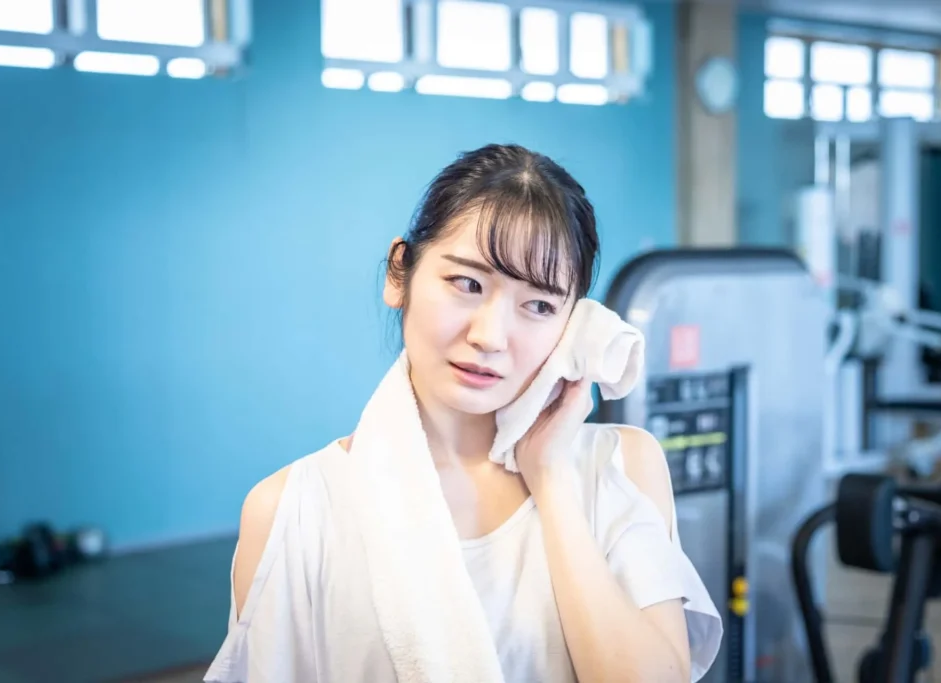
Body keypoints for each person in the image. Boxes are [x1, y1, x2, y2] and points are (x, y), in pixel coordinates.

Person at [204, 143, 722, 683]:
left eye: (539, 305)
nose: (491, 337)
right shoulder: (295, 508)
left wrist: (551, 480)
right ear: (399, 272)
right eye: (467, 284)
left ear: (574, 324)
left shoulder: (622, 468)